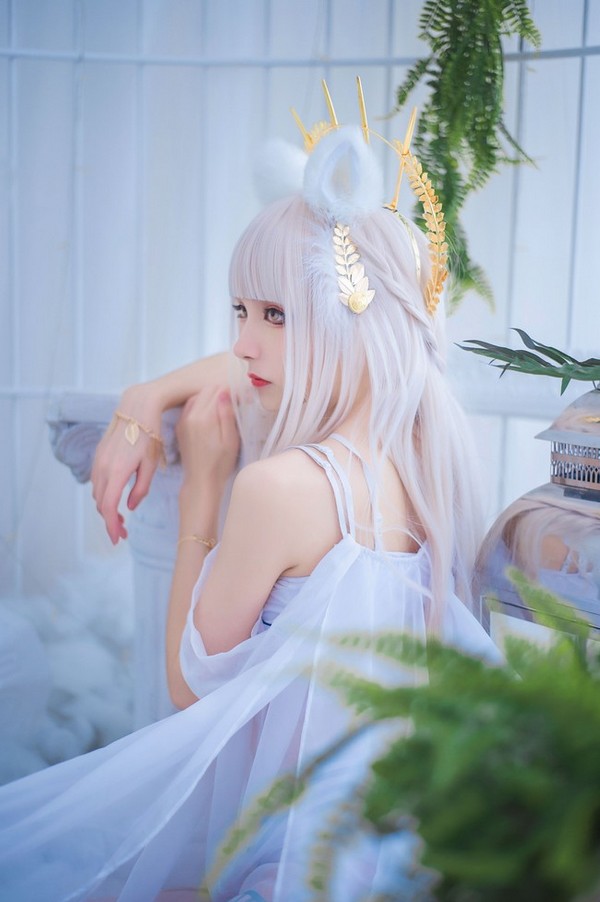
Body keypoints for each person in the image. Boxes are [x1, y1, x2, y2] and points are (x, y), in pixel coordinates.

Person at [0, 83, 501, 901]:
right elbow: (290, 357)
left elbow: (188, 687)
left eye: (273, 313)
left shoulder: (280, 489)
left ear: (351, 317)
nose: (241, 342)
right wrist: (148, 396)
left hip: (294, 860)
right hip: (395, 854)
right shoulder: (426, 468)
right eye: (239, 310)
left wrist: (203, 487)